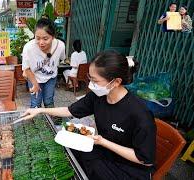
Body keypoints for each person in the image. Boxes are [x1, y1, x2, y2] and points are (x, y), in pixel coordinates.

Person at [20, 50, 156, 179]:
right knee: (69, 152)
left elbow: (145, 160)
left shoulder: (140, 114)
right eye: (90, 78)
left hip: (129, 168)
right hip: (106, 152)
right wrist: (40, 110)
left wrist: (102, 141)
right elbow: (70, 110)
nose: (90, 84)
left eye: (95, 81)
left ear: (116, 82)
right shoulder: (98, 96)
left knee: (91, 167)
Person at [22, 18, 66, 108]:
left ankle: (51, 120)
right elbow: (26, 69)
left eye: (45, 39)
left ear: (53, 37)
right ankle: (38, 122)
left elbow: (61, 59)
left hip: (51, 78)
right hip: (34, 77)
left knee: (49, 101)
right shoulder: (28, 48)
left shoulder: (60, 46)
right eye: (37, 38)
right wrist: (35, 84)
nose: (41, 43)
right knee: (35, 103)